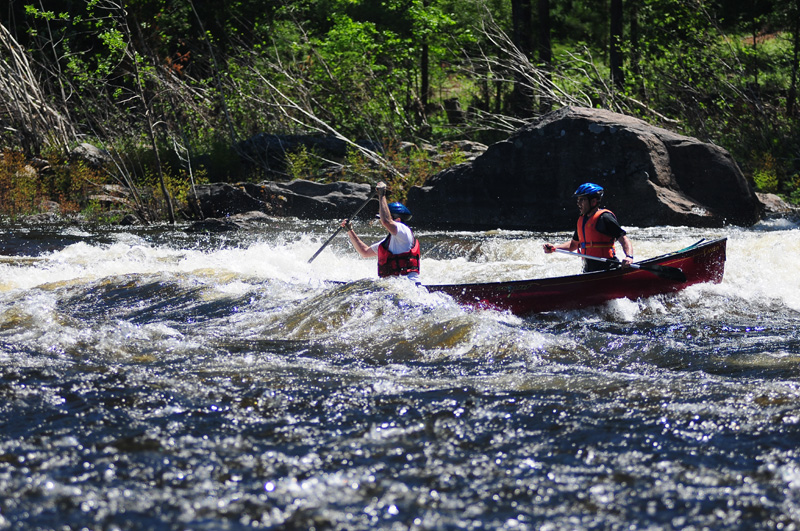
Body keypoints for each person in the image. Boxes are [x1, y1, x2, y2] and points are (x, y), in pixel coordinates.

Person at [542, 182, 634, 272]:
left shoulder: (605, 218)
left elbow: (623, 239)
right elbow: (573, 245)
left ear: (593, 202)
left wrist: (629, 257)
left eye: (582, 200)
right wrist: (554, 248)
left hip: (608, 268)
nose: (578, 203)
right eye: (578, 200)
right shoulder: (582, 220)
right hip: (588, 270)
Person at [340, 181, 421, 283]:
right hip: (395, 286)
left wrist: (382, 195)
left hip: (409, 285)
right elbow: (364, 252)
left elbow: (386, 221)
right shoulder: (390, 243)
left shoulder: (404, 230)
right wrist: (349, 230)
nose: (381, 221)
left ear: (398, 219)